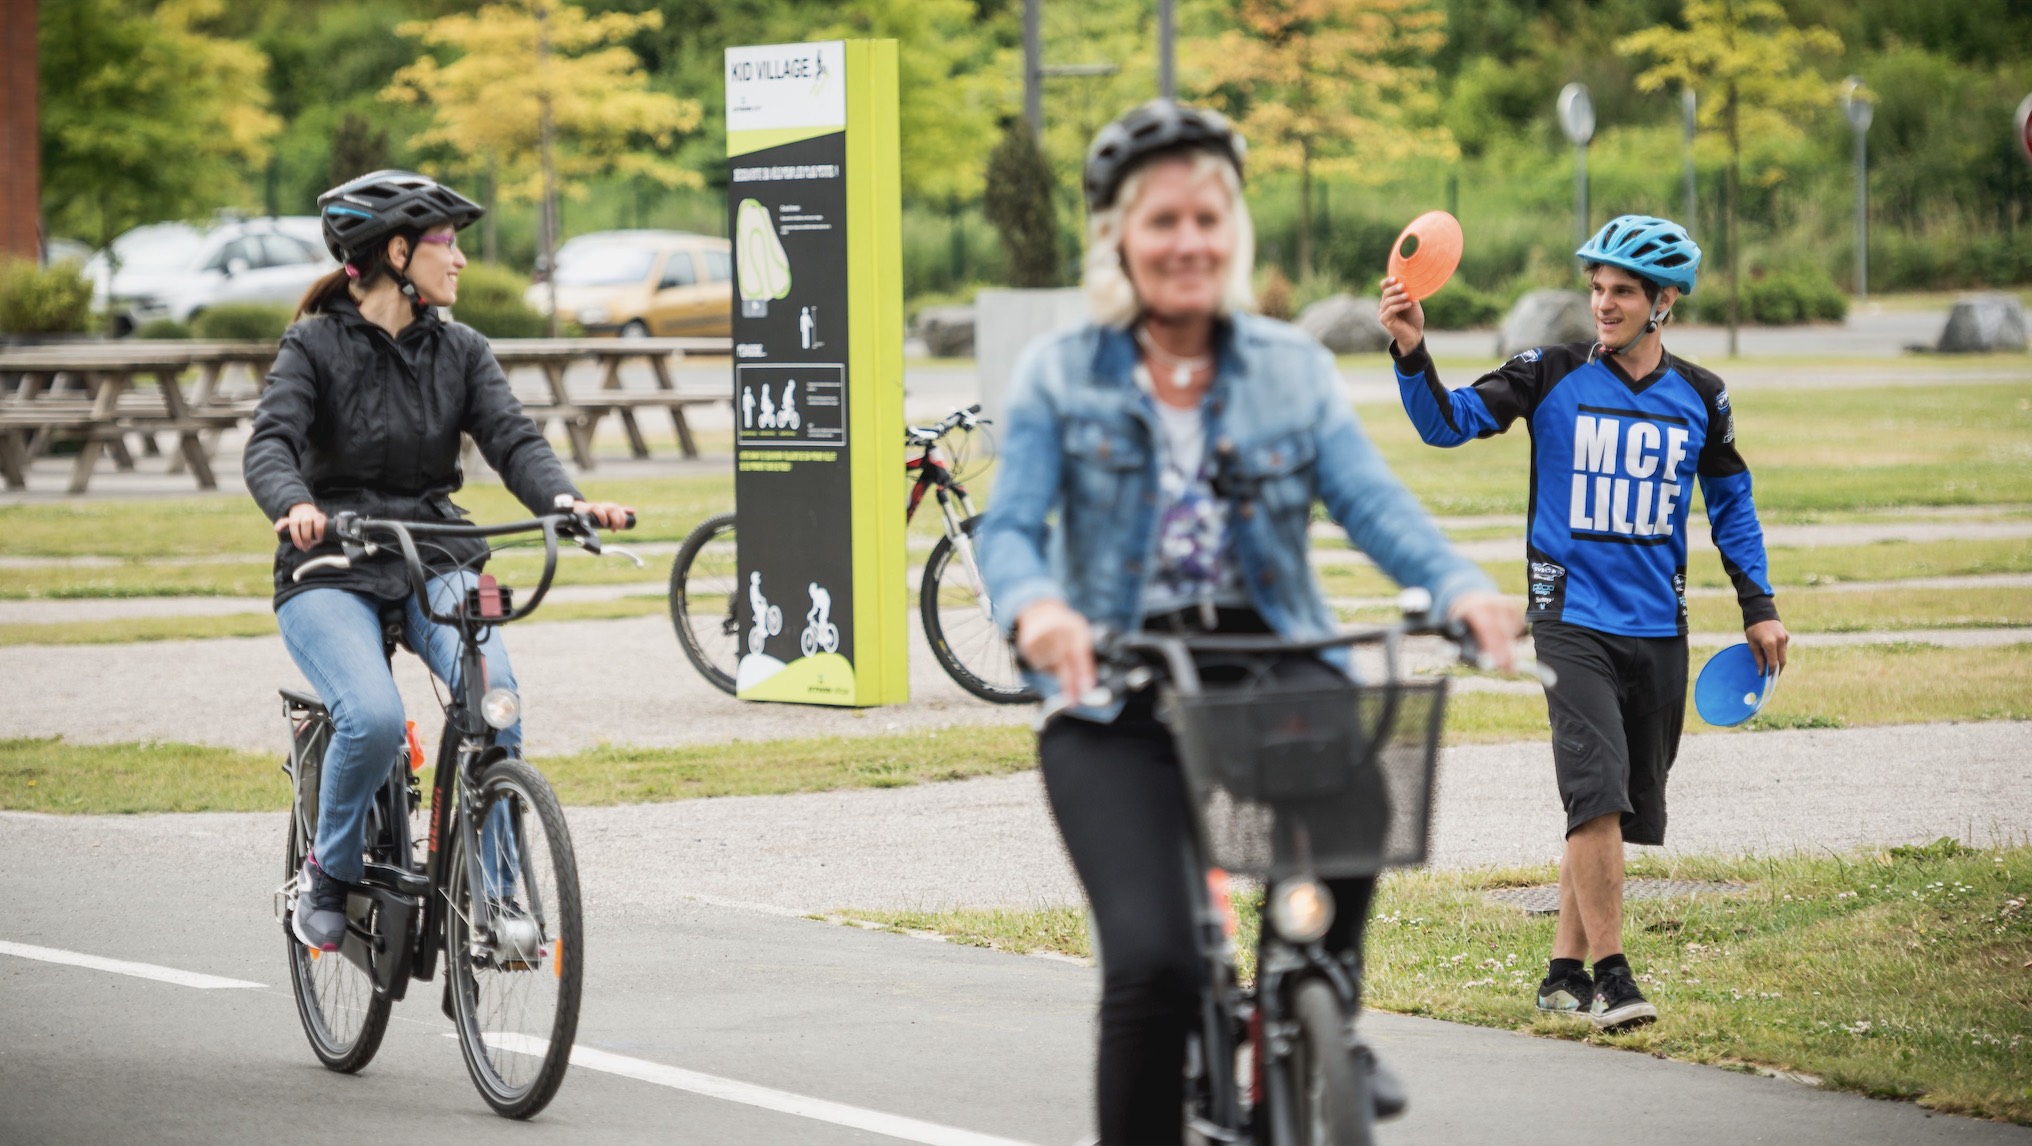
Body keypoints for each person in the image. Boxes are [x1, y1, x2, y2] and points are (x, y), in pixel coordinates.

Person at [976, 100, 1521, 1145]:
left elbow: (1372, 503)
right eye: (1163, 221)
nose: (1189, 242)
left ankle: (1318, 1006)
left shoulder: (1289, 367)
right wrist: (1039, 610)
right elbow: (1010, 528)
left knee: (1363, 795)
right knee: (1152, 969)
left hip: (1270, 663)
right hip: (1116, 689)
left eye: (1208, 219)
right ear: (1119, 238)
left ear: (1235, 231)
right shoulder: (1061, 372)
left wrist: (1458, 586)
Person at [1379, 214, 1790, 1031]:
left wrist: (1760, 607)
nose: (1603, 304)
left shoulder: (1703, 396)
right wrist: (1411, 350)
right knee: (1595, 793)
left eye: (1623, 291)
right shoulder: (1548, 372)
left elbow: (1732, 505)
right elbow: (1445, 423)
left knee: (1614, 808)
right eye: (1598, 288)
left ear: (1663, 303)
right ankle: (1613, 977)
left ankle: (1562, 972)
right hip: (1569, 619)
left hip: (1659, 627)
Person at [246, 169, 634, 953]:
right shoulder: (312, 345)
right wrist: (294, 503)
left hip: (436, 553)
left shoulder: (462, 349)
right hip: (330, 565)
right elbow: (271, 443)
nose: (458, 261)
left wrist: (565, 502)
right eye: (445, 245)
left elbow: (514, 441)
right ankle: (328, 872)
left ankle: (496, 901)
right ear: (396, 254)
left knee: (497, 703)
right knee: (374, 718)